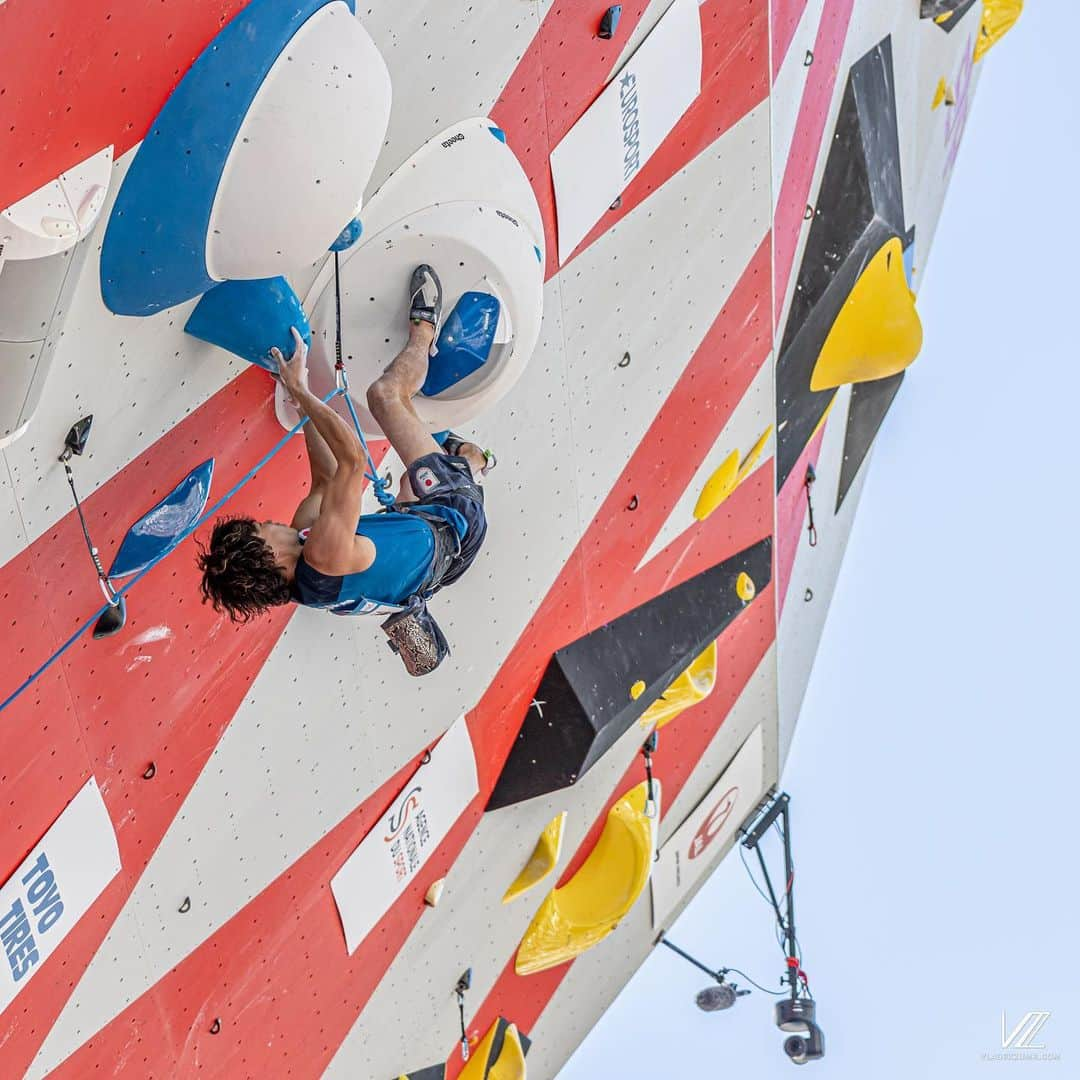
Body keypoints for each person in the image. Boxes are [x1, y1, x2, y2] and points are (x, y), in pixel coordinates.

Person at [197, 265, 493, 668]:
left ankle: (458, 457)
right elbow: (352, 461)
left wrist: (303, 407)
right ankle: (426, 336)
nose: (265, 522)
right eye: (259, 528)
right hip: (454, 518)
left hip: (426, 551)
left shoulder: (305, 561)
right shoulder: (325, 558)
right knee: (386, 396)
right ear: (268, 555)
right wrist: (301, 389)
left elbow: (325, 479)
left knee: (411, 480)